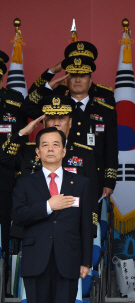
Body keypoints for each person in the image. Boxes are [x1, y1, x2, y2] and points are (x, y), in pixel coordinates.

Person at [11, 127, 93, 303]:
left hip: (68, 260)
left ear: (64, 151)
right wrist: (48, 206)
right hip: (36, 260)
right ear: (37, 152)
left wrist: (86, 260)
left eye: (56, 144)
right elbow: (17, 216)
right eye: (45, 145)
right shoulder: (26, 183)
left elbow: (87, 225)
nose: (50, 149)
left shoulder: (81, 183)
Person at [22, 55, 118, 203]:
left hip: (94, 175)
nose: (78, 80)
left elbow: (111, 146)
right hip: (60, 171)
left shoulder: (104, 110)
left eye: (83, 76)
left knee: (90, 218)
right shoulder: (56, 109)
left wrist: (109, 181)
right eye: (73, 76)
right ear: (66, 80)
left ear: (90, 81)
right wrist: (49, 86)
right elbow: (27, 106)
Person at [0, 95, 99, 237]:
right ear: (43, 122)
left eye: (61, 119)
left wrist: (89, 232)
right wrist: (22, 133)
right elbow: (4, 158)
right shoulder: (29, 151)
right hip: (30, 230)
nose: (56, 123)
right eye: (51, 118)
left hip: (70, 232)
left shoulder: (84, 154)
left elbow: (91, 198)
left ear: (70, 122)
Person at [0, 52, 27, 289]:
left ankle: (4, 284)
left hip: (4, 178)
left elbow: (23, 138)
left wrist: (15, 164)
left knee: (3, 234)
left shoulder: (14, 100)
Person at [27, 41, 115, 106]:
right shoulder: (59, 92)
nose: (78, 63)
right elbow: (32, 96)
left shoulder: (104, 94)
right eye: (73, 61)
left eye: (84, 62)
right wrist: (52, 71)